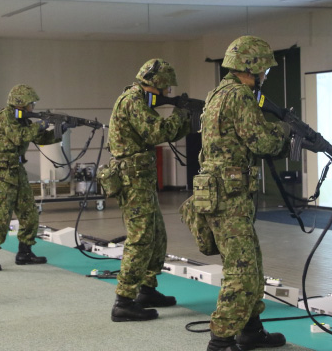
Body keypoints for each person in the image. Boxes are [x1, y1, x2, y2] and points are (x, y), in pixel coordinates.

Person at [197, 36, 291, 351]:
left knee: (251, 265)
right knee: (241, 270)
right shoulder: (240, 96)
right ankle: (221, 340)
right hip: (229, 197)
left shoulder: (217, 93)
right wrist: (283, 132)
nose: (266, 73)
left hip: (223, 193)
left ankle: (251, 329)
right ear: (251, 67)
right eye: (264, 67)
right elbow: (261, 144)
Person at [107, 58, 191, 322]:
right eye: (166, 89)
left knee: (155, 235)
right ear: (157, 84)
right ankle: (123, 301)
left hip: (140, 179)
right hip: (133, 181)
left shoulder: (138, 100)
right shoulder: (132, 101)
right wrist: (181, 113)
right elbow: (157, 132)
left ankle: (146, 289)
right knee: (141, 238)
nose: (168, 94)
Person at [0, 84, 68, 271]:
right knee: (1, 216)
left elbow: (41, 139)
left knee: (29, 212)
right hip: (2, 172)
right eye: (31, 103)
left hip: (17, 170)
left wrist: (60, 130)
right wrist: (40, 125)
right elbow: (19, 137)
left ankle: (25, 252)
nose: (33, 107)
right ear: (20, 103)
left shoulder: (23, 120)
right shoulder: (6, 117)